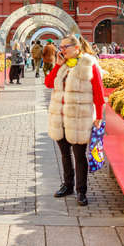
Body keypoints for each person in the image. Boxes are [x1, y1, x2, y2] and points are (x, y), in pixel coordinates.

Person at [45, 34, 105, 207]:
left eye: (65, 47)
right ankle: (67, 185)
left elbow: (99, 92)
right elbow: (48, 83)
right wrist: (57, 65)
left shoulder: (88, 64)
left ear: (76, 48)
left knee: (79, 156)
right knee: (64, 154)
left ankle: (81, 191)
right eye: (60, 47)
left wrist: (99, 116)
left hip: (80, 118)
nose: (61, 50)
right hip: (60, 117)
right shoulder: (62, 66)